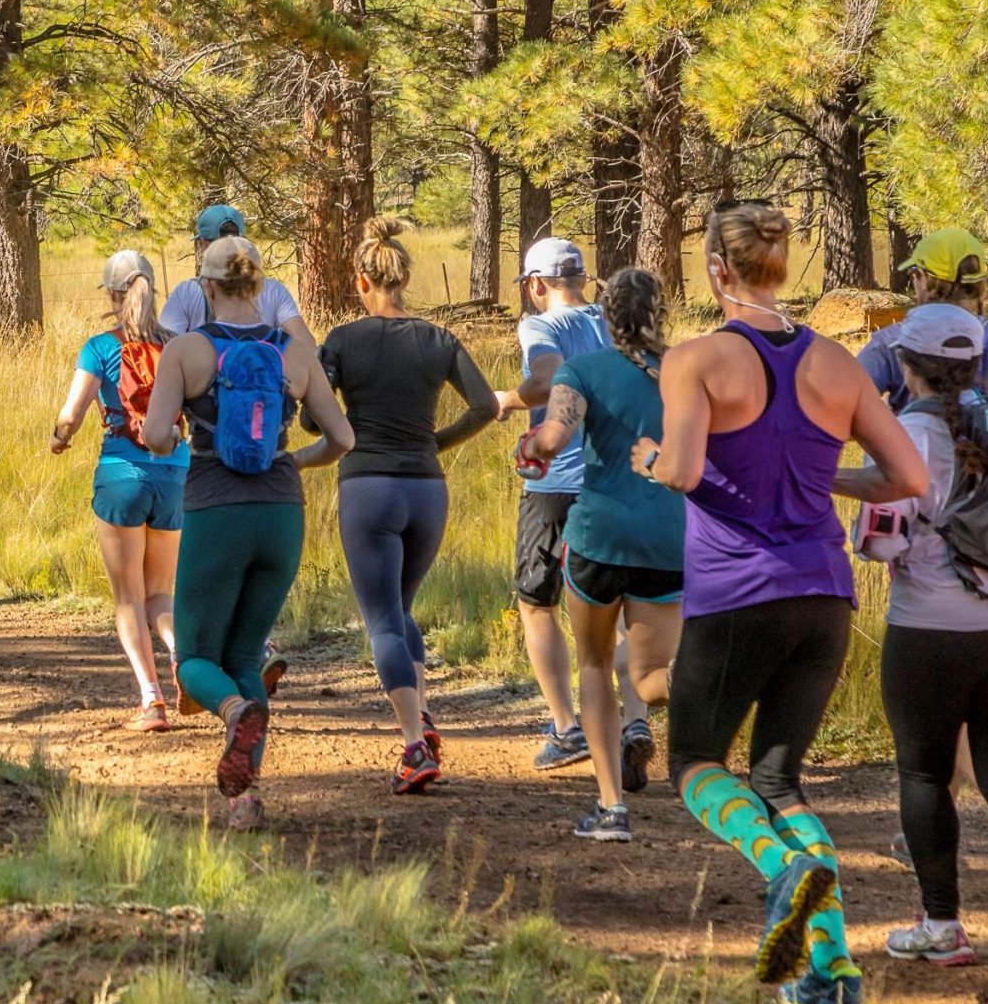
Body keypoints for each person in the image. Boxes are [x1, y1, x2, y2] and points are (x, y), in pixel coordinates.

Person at [634, 200, 926, 1004]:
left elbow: (687, 470)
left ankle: (779, 867)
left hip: (737, 593)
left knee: (694, 763)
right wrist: (819, 475)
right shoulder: (838, 363)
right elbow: (908, 478)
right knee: (779, 777)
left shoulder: (693, 359)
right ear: (783, 265)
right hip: (824, 596)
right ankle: (830, 973)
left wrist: (650, 456)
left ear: (716, 270)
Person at [140, 237, 355, 831]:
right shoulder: (295, 353)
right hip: (281, 514)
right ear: (259, 285)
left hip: (215, 509)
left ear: (205, 287)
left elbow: (158, 436)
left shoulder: (186, 349)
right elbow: (342, 440)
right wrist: (293, 461)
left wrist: (182, 437)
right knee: (243, 654)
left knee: (194, 662)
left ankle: (234, 710)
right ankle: (243, 799)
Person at [836, 305, 988, 968]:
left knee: (923, 771)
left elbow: (878, 545)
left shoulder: (904, 434)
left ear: (905, 365)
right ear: (974, 363)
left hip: (930, 627)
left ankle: (941, 925)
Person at [317, 219, 497, 791]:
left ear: (361, 280)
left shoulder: (342, 341)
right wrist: (436, 442)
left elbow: (310, 416)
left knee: (382, 623)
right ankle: (420, 714)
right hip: (427, 489)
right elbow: (487, 406)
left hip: (368, 487)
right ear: (405, 276)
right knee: (399, 610)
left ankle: (415, 747)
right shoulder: (438, 339)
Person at [525, 268, 684, 841]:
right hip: (668, 536)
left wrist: (530, 450)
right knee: (653, 676)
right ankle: (700, 694)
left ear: (606, 315)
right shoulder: (683, 373)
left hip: (597, 539)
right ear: (660, 312)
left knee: (593, 665)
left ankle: (612, 808)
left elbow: (554, 437)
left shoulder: (582, 370)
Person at [494, 237, 641, 774]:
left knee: (537, 602)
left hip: (555, 481)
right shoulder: (613, 320)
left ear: (535, 284)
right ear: (581, 276)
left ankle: (565, 726)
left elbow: (545, 379)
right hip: (617, 479)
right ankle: (634, 722)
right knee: (617, 603)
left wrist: (507, 401)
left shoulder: (541, 326)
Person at [49, 251, 193, 731]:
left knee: (128, 597)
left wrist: (59, 438)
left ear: (113, 296)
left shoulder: (99, 347)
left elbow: (71, 414)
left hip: (121, 474)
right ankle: (185, 658)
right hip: (174, 475)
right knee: (160, 595)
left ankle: (151, 700)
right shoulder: (176, 345)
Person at [860, 228, 988, 409]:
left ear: (921, 278)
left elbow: (850, 402)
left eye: (913, 274)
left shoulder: (889, 342)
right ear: (979, 283)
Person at [157, 205, 318, 350]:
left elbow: (165, 345)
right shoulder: (273, 290)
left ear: (203, 243)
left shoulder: (187, 292)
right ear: (244, 241)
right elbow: (306, 343)